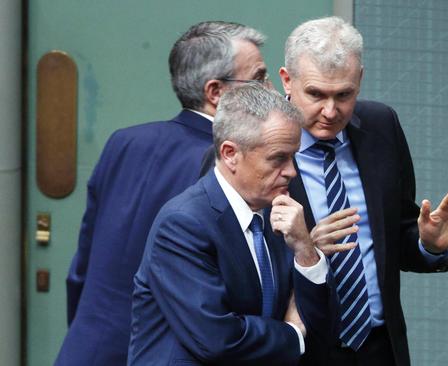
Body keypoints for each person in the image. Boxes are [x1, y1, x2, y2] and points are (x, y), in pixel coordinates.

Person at [56, 21, 270, 365]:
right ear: (216, 92)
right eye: (258, 78)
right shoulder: (223, 165)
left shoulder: (124, 141)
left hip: (87, 348)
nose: (269, 89)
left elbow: (80, 269)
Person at [280, 17, 448, 366]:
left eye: (344, 95)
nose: (330, 111)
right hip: (300, 348)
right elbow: (241, 261)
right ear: (287, 80)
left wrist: (427, 244)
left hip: (378, 347)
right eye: (315, 94)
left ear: (360, 80)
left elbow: (392, 238)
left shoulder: (381, 125)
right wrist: (305, 249)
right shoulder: (256, 145)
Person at [128, 84, 337, 365]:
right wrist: (292, 334)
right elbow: (217, 339)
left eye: (293, 156)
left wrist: (305, 250)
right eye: (278, 158)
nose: (291, 171)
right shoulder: (183, 224)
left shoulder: (279, 217)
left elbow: (322, 326)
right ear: (230, 154)